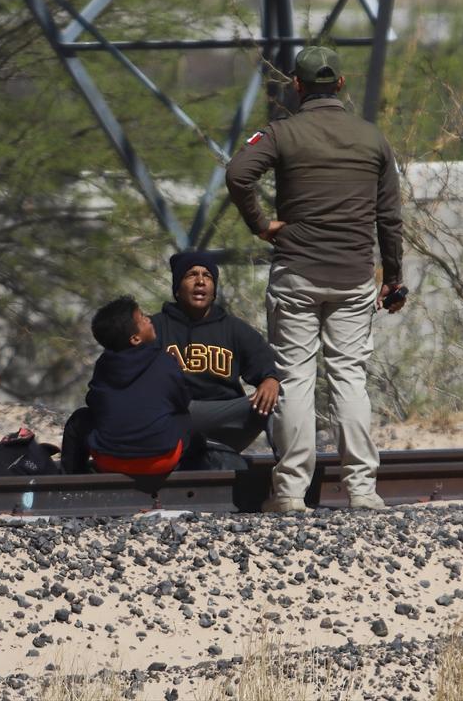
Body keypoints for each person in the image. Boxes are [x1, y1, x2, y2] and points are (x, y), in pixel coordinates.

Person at [225, 45, 405, 513]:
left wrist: (261, 225)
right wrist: (394, 276)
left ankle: (289, 493)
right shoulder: (372, 139)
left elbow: (238, 173)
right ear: (342, 85)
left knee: (295, 379)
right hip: (352, 278)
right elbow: (390, 217)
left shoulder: (282, 133)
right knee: (350, 378)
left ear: (297, 87)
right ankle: (362, 490)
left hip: (297, 275)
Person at [152, 251, 280, 454]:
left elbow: (267, 370)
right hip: (173, 416)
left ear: (214, 290)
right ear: (177, 289)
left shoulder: (235, 329)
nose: (200, 281)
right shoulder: (155, 327)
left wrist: (270, 380)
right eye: (191, 275)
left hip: (224, 417)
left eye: (207, 276)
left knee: (279, 400)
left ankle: (290, 477)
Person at [60, 297, 192, 475]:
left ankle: (72, 480)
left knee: (79, 419)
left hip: (109, 461)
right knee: (184, 417)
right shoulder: (164, 361)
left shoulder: (104, 365)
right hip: (160, 462)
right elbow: (182, 400)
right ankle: (186, 475)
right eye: (143, 318)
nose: (149, 319)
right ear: (135, 338)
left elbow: (94, 402)